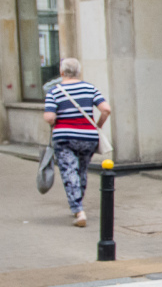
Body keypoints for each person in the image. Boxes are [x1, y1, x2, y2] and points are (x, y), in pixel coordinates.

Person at [43, 58, 111, 227]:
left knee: (68, 171)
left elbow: (50, 117)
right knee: (81, 170)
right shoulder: (90, 88)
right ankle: (78, 201)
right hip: (88, 137)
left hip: (64, 137)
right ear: (79, 72)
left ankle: (78, 210)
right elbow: (106, 109)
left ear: (61, 72)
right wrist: (98, 126)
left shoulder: (54, 91)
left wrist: (54, 120)